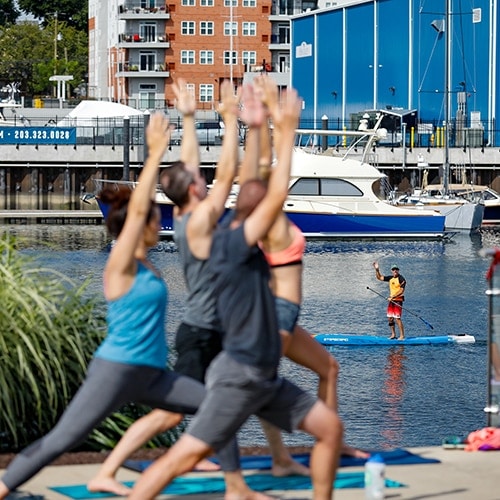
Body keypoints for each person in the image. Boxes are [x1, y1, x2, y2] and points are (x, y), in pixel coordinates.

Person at [128, 85, 343, 500]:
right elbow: (255, 183)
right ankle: (222, 485)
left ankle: (260, 474)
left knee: (329, 428)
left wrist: (236, 124)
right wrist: (272, 127)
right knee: (180, 454)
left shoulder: (215, 228)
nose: (208, 180)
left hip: (260, 374)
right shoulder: (226, 240)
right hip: (240, 370)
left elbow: (244, 176)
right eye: (200, 182)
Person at [0, 113, 210, 500]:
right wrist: (154, 156)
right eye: (150, 219)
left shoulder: (147, 263)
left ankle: (233, 484)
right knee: (63, 439)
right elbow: (138, 210)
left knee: (219, 406)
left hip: (150, 376)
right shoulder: (122, 262)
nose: (155, 223)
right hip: (116, 371)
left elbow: (185, 203)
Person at [88, 79, 274, 500]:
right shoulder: (201, 221)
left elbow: (192, 167)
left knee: (219, 402)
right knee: (174, 416)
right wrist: (229, 122)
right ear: (194, 189)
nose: (205, 180)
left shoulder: (189, 214)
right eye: (199, 180)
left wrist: (190, 119)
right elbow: (227, 173)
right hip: (202, 332)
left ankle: (237, 481)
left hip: (211, 330)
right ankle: (111, 469)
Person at [244, 75, 368, 460]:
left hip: (285, 314)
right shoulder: (267, 221)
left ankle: (329, 442)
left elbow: (263, 166)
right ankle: (285, 453)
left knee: (328, 368)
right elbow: (269, 172)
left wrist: (259, 121)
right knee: (260, 385)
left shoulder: (267, 216)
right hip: (275, 313)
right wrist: (284, 128)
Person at [373, 262, 406, 340]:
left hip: (398, 300)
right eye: (393, 269)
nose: (395, 271)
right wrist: (377, 270)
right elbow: (379, 278)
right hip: (391, 301)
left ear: (398, 270)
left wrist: (392, 296)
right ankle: (393, 334)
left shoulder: (401, 279)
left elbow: (401, 290)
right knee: (390, 318)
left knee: (397, 318)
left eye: (396, 269)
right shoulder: (391, 278)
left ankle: (402, 336)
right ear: (391, 270)